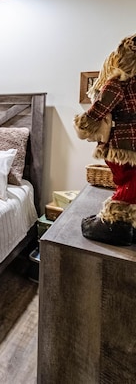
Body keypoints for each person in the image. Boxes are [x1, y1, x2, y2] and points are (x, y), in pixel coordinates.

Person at [74, 33, 136, 245]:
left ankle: (116, 223)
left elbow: (96, 113)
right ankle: (129, 224)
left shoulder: (117, 84)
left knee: (126, 181)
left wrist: (81, 124)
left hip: (123, 145)